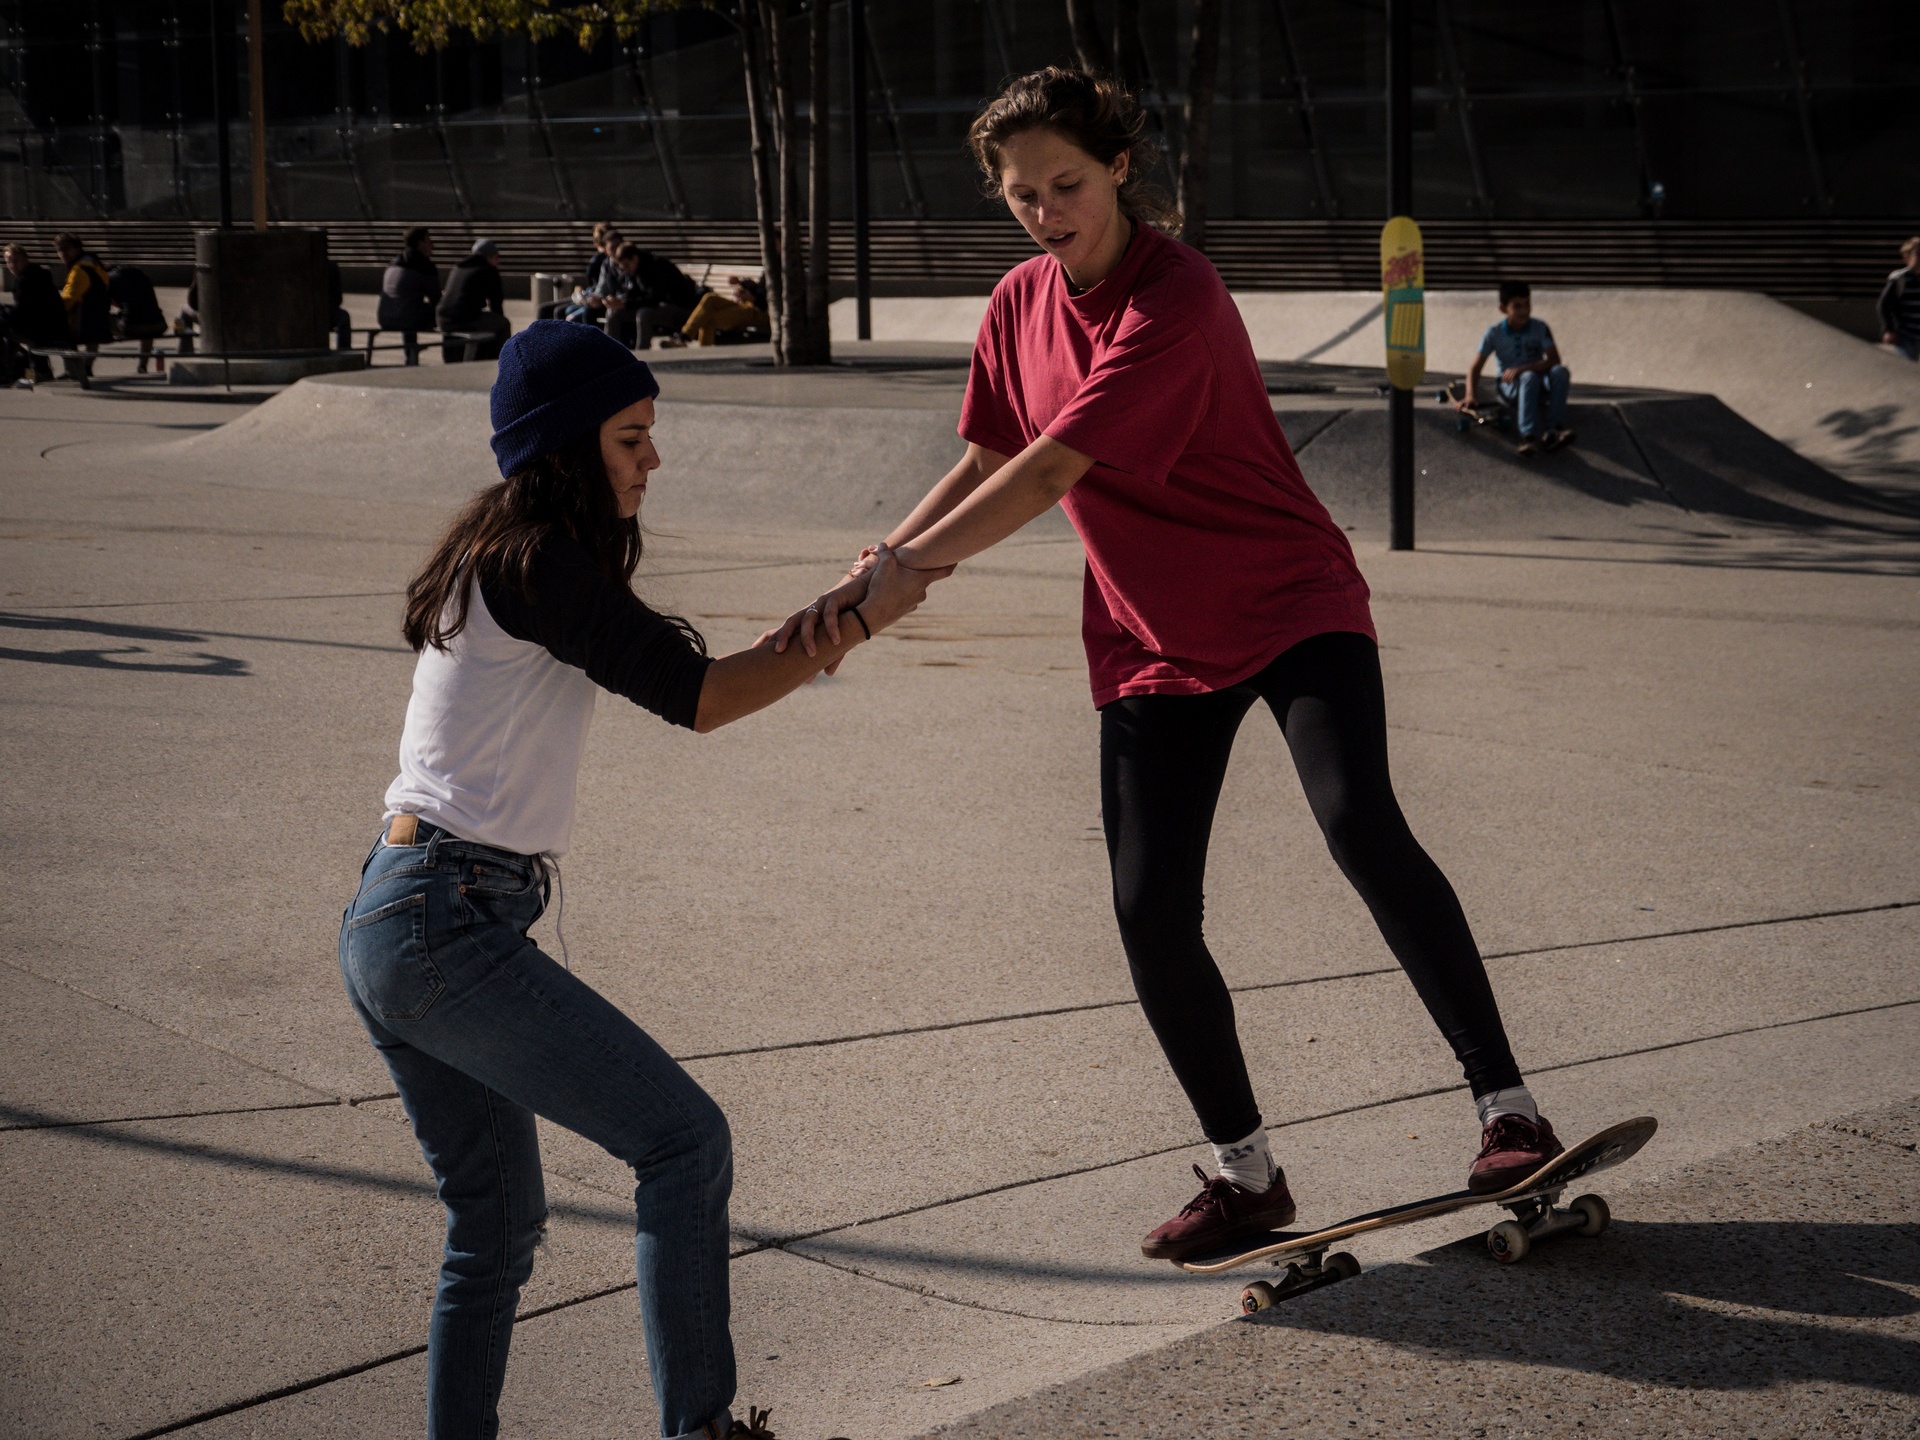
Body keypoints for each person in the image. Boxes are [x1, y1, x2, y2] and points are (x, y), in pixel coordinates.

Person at [769, 66, 1562, 1264]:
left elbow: (1046, 474)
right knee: (1150, 910)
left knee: (1359, 824)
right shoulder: (1017, 303)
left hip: (1289, 597)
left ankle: (1508, 1108)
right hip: (1148, 631)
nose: (1046, 213)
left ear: (1121, 170)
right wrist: (884, 555)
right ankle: (1245, 1174)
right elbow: (987, 453)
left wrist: (893, 592)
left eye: (1068, 185)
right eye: (1022, 195)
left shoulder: (1175, 295)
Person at [343, 320, 940, 1440]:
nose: (650, 461)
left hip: (401, 914)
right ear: (566, 447)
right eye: (629, 438)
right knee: (681, 1143)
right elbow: (701, 699)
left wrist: (835, 618)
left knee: (496, 1226)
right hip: (445, 920)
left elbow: (700, 675)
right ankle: (700, 1432)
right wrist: (857, 617)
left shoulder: (506, 554)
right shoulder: (536, 564)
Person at [1460, 281, 1573, 457]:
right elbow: (1475, 367)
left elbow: (1554, 359)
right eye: (1517, 306)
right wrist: (1470, 395)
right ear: (1503, 309)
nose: (1524, 311)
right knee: (1529, 377)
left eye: (1527, 305)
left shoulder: (1540, 327)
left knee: (1560, 372)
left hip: (1536, 382)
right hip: (1509, 387)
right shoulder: (1494, 333)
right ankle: (1527, 437)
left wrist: (1522, 369)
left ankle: (1554, 429)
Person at [586, 243, 703, 351]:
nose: (625, 270)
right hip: (658, 306)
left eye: (627, 265)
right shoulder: (634, 269)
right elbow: (633, 293)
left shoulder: (655, 267)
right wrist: (618, 301)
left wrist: (626, 304)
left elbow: (655, 298)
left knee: (644, 314)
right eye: (623, 267)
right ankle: (611, 353)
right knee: (614, 313)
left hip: (680, 308)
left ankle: (642, 354)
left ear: (635, 258)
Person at [436, 237, 512, 362]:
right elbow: (496, 303)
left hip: (442, 318)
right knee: (503, 324)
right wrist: (497, 318)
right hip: (462, 319)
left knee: (487, 320)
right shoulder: (488, 270)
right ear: (489, 257)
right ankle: (504, 361)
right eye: (496, 257)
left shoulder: (459, 267)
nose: (498, 261)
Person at [2, 243, 71, 379]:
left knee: (4, 327)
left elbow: (23, 314)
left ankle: (6, 372)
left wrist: (6, 313)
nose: (12, 265)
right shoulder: (39, 274)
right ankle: (31, 371)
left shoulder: (24, 281)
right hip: (54, 328)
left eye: (16, 261)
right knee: (7, 328)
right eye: (8, 261)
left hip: (43, 332)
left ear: (25, 260)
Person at [377, 225, 441, 365]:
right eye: (428, 240)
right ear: (420, 244)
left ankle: (410, 353)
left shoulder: (393, 263)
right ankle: (454, 353)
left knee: (409, 306)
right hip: (407, 319)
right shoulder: (424, 265)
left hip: (384, 318)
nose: (432, 244)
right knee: (446, 314)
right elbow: (436, 299)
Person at [663, 275, 770, 348]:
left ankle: (696, 348)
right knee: (710, 298)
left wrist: (753, 298)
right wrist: (742, 285)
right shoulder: (771, 262)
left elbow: (765, 302)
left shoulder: (781, 267)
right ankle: (685, 335)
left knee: (708, 319)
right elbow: (760, 291)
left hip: (762, 312)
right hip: (750, 305)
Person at [107, 262, 170, 374]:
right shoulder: (142, 276)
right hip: (159, 325)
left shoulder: (110, 279)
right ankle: (142, 366)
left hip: (132, 327)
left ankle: (87, 365)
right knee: (145, 320)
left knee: (99, 321)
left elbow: (104, 306)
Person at [54, 232, 112, 350]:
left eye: (66, 249)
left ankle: (73, 368)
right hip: (100, 324)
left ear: (77, 249)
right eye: (59, 250)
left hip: (84, 327)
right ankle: (86, 367)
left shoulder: (79, 271)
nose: (63, 253)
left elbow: (67, 302)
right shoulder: (95, 265)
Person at [1877, 236, 1920, 361]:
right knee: (1907, 371)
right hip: (1906, 336)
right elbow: (1883, 304)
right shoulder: (1899, 278)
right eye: (1918, 254)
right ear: (1907, 257)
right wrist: (1888, 329)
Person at [326, 258, 353, 352]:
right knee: (344, 317)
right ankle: (344, 350)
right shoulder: (331, 266)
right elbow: (337, 298)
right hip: (326, 313)